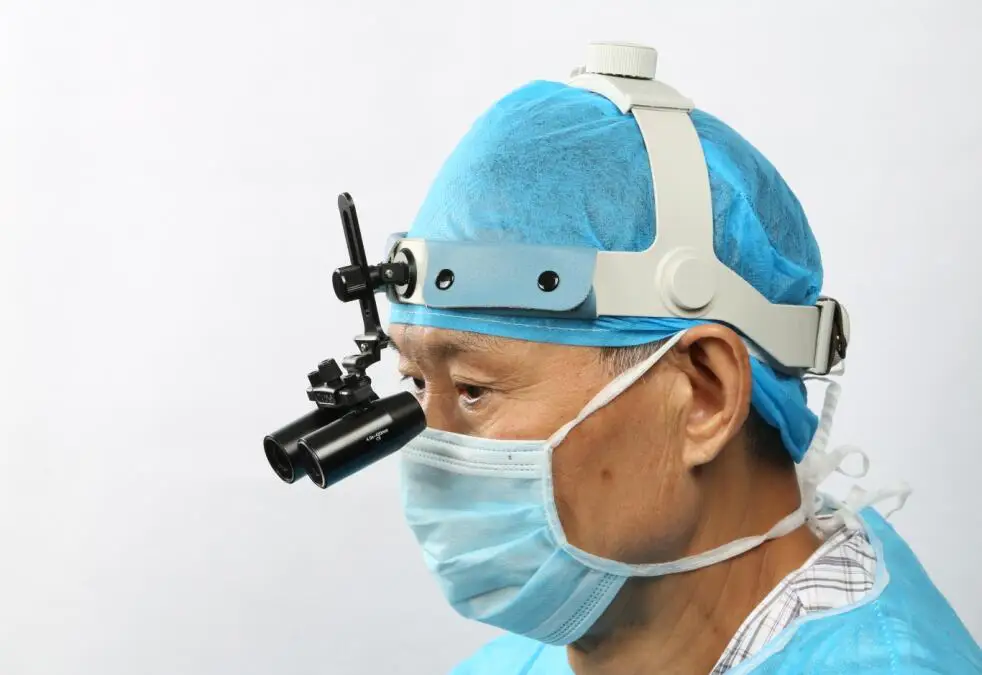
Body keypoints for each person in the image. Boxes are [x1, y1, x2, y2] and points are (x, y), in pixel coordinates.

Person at [385, 43, 982, 674]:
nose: (429, 446)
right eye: (416, 381)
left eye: (474, 389)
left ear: (703, 395)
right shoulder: (525, 660)